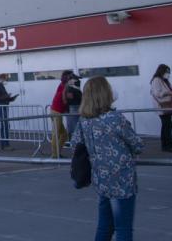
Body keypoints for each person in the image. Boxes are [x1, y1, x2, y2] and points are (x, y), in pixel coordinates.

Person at [69, 76, 143, 241]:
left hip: (100, 179)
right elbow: (137, 145)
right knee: (123, 228)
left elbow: (75, 144)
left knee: (104, 226)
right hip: (121, 181)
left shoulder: (84, 121)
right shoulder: (115, 118)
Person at [149, 64, 172, 153]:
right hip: (162, 107)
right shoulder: (157, 80)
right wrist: (171, 93)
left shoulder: (164, 80)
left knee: (167, 125)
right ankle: (169, 145)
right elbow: (158, 93)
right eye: (167, 71)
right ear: (161, 71)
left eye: (169, 72)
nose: (168, 74)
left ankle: (166, 145)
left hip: (167, 106)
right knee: (167, 125)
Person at [50, 70, 72, 158]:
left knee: (63, 134)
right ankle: (54, 154)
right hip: (56, 111)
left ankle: (57, 152)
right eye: (70, 76)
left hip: (57, 111)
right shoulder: (64, 85)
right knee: (56, 133)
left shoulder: (64, 85)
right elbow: (66, 97)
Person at [0, 74, 17, 150]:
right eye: (5, 79)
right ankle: (5, 144)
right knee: (5, 125)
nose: (6, 81)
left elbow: (3, 97)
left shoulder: (1, 86)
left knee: (6, 125)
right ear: (1, 79)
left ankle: (5, 143)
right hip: (1, 107)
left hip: (4, 107)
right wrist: (7, 96)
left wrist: (11, 98)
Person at [64, 74, 83, 144]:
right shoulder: (69, 88)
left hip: (76, 108)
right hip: (73, 108)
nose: (78, 81)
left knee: (75, 126)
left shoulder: (74, 88)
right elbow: (71, 99)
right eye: (76, 79)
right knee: (74, 127)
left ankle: (74, 142)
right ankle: (74, 142)